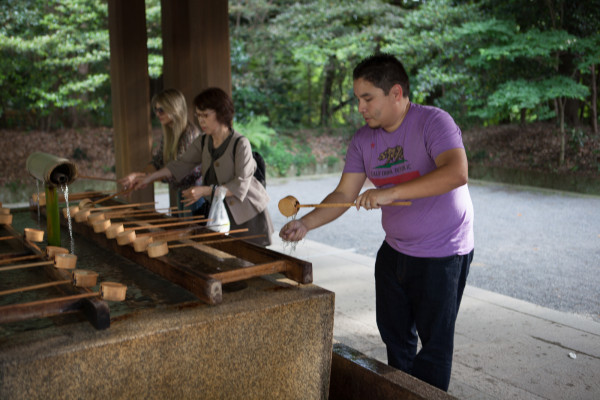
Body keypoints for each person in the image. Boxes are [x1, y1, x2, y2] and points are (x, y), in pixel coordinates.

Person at [279, 53, 474, 391]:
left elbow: (456, 173)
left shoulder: (433, 122)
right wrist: (306, 223)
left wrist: (390, 193)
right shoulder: (363, 140)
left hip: (443, 253)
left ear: (396, 93)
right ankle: (400, 394)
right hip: (395, 251)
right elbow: (344, 192)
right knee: (396, 341)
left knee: (434, 350)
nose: (360, 107)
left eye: (367, 98)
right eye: (357, 99)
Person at [131, 87, 274, 247]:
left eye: (205, 115)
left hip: (247, 216)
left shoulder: (241, 144)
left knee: (251, 262)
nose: (201, 121)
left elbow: (240, 186)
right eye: (198, 115)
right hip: (221, 213)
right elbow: (181, 164)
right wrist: (149, 178)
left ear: (221, 113)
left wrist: (206, 191)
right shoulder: (203, 141)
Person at [118, 88, 204, 213]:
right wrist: (137, 176)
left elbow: (179, 173)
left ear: (174, 109)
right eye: (156, 110)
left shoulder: (189, 134)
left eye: (161, 110)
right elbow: (158, 162)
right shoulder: (170, 132)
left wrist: (145, 178)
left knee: (193, 232)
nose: (157, 114)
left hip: (195, 195)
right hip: (182, 192)